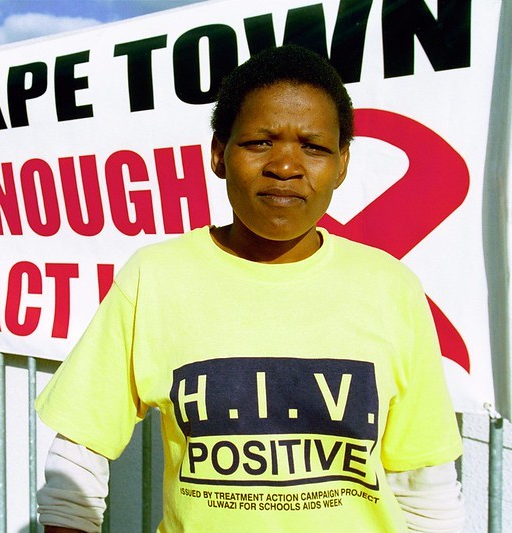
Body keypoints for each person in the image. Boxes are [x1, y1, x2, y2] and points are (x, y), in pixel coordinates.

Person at [35, 44, 464, 532]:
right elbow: (76, 463)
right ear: (219, 153)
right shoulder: (155, 277)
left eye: (314, 146)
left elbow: (426, 488)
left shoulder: (392, 287)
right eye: (260, 142)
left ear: (342, 164)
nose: (285, 166)